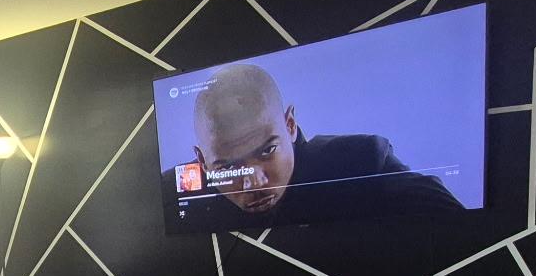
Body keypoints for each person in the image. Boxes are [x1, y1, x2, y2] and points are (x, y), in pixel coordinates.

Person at [170, 63, 461, 227]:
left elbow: (465, 230)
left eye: (267, 150)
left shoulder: (359, 162)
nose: (254, 182)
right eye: (228, 167)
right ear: (201, 160)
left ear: (290, 125)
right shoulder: (177, 193)